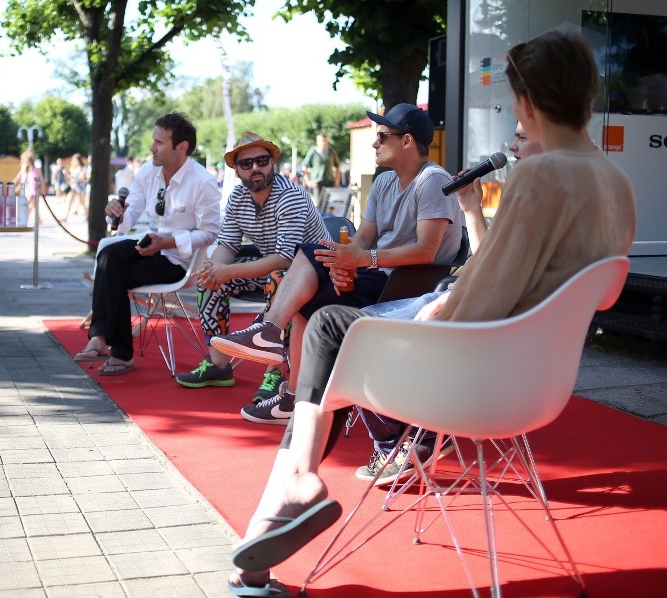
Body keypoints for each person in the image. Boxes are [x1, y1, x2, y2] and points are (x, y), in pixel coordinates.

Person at [224, 31, 637, 596]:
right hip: (535, 378)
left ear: (525, 101)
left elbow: (485, 296)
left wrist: (435, 313)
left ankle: (291, 488)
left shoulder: (543, 176)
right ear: (587, 92)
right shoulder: (617, 182)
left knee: (329, 326)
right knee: (341, 329)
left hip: (470, 374)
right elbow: (591, 293)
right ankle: (284, 499)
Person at [211, 104, 463, 425]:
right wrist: (344, 264)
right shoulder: (385, 182)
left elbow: (426, 251)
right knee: (311, 271)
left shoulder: (432, 181)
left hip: (407, 287)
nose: (374, 143)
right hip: (379, 275)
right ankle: (286, 380)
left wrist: (361, 260)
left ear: (407, 141)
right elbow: (361, 240)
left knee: (308, 258)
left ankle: (272, 342)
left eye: (382, 136)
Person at [355, 120, 545, 485]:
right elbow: (490, 259)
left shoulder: (544, 201)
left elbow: (518, 282)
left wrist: (459, 300)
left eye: (521, 137)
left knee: (357, 330)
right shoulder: (527, 193)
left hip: (480, 314)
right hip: (463, 294)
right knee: (352, 324)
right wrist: (471, 207)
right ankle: (411, 437)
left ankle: (405, 440)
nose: (512, 146)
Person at [172, 131, 330, 396]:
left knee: (279, 278)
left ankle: (274, 372)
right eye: (246, 163)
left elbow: (285, 258)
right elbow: (228, 245)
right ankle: (218, 363)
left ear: (272, 163)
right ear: (236, 170)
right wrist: (214, 272)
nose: (255, 167)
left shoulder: (290, 195)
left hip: (315, 273)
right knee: (209, 281)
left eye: (262, 160)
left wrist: (227, 270)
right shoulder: (237, 198)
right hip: (275, 268)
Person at [75, 112, 221, 376]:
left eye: (159, 142)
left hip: (180, 261)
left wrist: (168, 241)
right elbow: (129, 218)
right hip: (151, 248)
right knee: (109, 254)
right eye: (154, 141)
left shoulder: (203, 182)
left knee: (113, 270)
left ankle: (109, 345)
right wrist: (116, 213)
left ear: (181, 147)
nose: (152, 147)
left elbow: (210, 232)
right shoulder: (148, 171)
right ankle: (107, 345)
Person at [302, 133, 341, 210]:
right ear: (317, 142)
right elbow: (304, 166)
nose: (323, 143)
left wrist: (337, 179)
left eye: (324, 141)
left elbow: (338, 166)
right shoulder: (313, 152)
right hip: (317, 182)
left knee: (330, 205)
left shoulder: (331, 152)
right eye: (321, 141)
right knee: (318, 204)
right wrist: (307, 181)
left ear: (327, 141)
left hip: (329, 181)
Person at [12, 150, 45, 225]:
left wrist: (43, 189)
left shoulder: (37, 169)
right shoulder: (25, 169)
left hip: (34, 191)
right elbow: (21, 178)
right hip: (28, 190)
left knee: (30, 204)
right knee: (33, 205)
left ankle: (25, 218)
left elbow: (41, 180)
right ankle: (38, 219)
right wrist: (14, 185)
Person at [63, 153, 88, 221]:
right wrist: (66, 175)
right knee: (69, 201)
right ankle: (66, 216)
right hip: (74, 188)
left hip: (80, 188)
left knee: (82, 203)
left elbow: (81, 178)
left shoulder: (83, 168)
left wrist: (73, 180)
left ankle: (87, 215)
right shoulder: (73, 168)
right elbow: (70, 179)